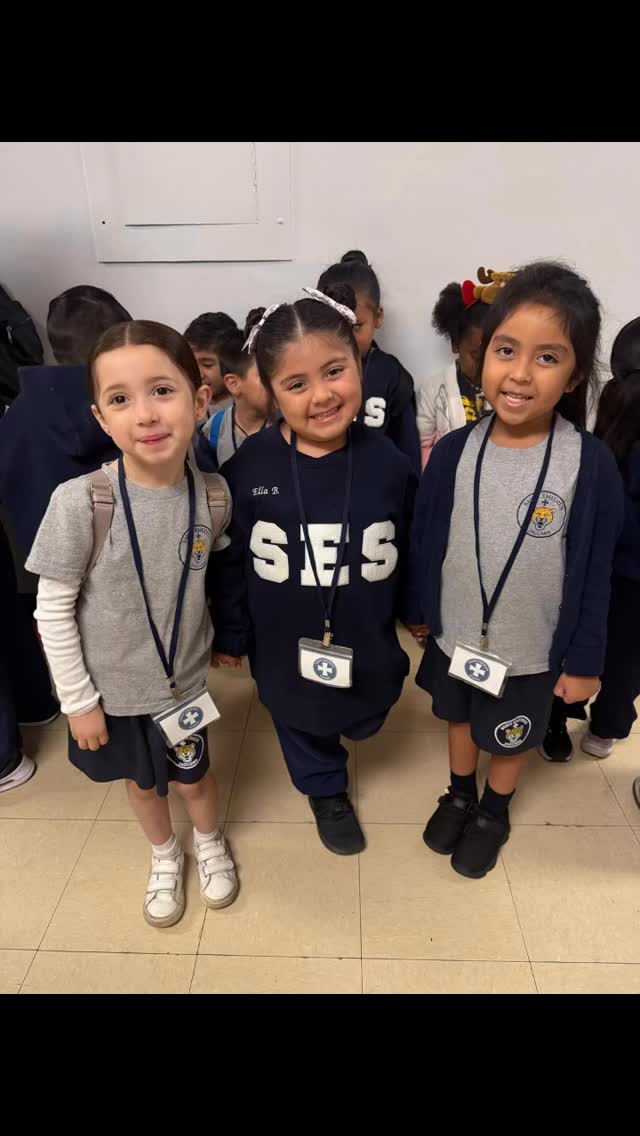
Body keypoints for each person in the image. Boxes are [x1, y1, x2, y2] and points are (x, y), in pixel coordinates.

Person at [408, 261, 623, 879]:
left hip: (529, 651)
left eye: (547, 357)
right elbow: (429, 539)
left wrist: (584, 662)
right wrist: (421, 612)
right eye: (506, 350)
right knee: (458, 719)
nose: (521, 373)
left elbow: (596, 573)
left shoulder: (589, 465)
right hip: (457, 637)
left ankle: (493, 811)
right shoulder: (455, 450)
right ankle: (459, 794)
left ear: (574, 373)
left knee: (509, 735)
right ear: (482, 356)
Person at [26, 320, 238, 927]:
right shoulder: (81, 501)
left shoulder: (215, 496)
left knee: (195, 778)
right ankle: (165, 854)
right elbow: (51, 610)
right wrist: (78, 703)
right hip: (112, 694)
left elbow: (212, 578)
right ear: (101, 418)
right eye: (120, 399)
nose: (145, 414)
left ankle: (209, 841)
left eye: (162, 391)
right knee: (143, 786)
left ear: (199, 400)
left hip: (184, 689)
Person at [210, 285, 416, 855]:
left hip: (368, 634)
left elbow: (415, 545)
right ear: (271, 391)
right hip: (283, 642)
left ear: (359, 365)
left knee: (368, 707)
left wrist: (418, 612)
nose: (321, 396)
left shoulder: (390, 464)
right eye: (296, 384)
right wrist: (231, 634)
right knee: (299, 716)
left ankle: (353, 722)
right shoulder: (248, 469)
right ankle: (325, 791)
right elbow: (231, 561)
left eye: (334, 371)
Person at [541, 316, 640, 761]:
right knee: (627, 658)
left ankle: (556, 721)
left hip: (594, 564)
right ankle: (604, 729)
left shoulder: (605, 427)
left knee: (576, 642)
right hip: (620, 570)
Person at [316, 251, 421, 476]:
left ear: (378, 316)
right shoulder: (310, 374)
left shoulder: (393, 376)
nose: (345, 339)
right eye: (335, 326)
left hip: (378, 488)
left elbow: (409, 456)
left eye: (355, 327)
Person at [416, 270, 513, 468]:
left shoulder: (511, 388)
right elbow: (423, 444)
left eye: (495, 354)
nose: (484, 365)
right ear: (455, 343)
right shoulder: (433, 390)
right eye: (476, 356)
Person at [199, 313, 270, 469]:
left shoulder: (288, 424)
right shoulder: (212, 430)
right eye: (265, 376)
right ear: (233, 383)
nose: (275, 384)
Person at [184, 311, 238, 414]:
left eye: (207, 365)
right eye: (191, 363)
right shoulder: (187, 408)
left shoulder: (247, 407)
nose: (198, 374)